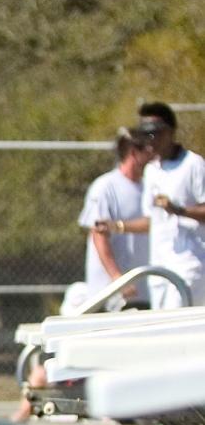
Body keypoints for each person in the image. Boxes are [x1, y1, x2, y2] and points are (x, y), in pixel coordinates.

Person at [96, 103, 205, 309]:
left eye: (155, 133)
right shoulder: (152, 170)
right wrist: (117, 226)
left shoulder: (193, 164)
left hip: (189, 267)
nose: (150, 141)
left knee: (177, 331)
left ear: (171, 132)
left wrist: (180, 210)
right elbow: (151, 221)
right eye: (145, 135)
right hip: (159, 268)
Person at [78, 128, 153, 307]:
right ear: (134, 153)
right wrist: (118, 280)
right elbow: (99, 236)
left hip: (143, 293)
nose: (153, 157)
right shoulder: (105, 187)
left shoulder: (149, 187)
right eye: (148, 152)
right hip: (109, 296)